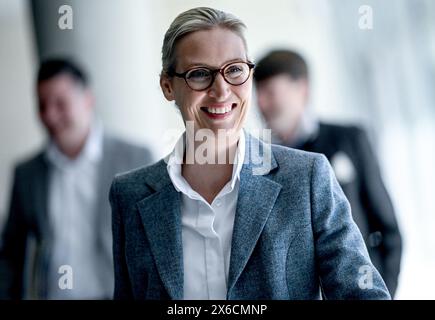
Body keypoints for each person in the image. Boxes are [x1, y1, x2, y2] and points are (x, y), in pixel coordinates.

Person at [109, 7, 391, 300]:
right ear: (168, 86)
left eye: (234, 70)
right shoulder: (129, 195)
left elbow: (361, 293)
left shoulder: (306, 177)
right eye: (199, 74)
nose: (221, 91)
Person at [0, 58, 152, 299]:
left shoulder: (135, 158)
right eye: (42, 105)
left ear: (87, 100)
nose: (50, 115)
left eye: (60, 103)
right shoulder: (26, 174)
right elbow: (11, 253)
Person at [254, 49, 402, 297]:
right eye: (257, 93)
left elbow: (388, 230)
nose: (261, 103)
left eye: (270, 92)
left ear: (302, 89)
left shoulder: (350, 138)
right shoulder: (257, 161)